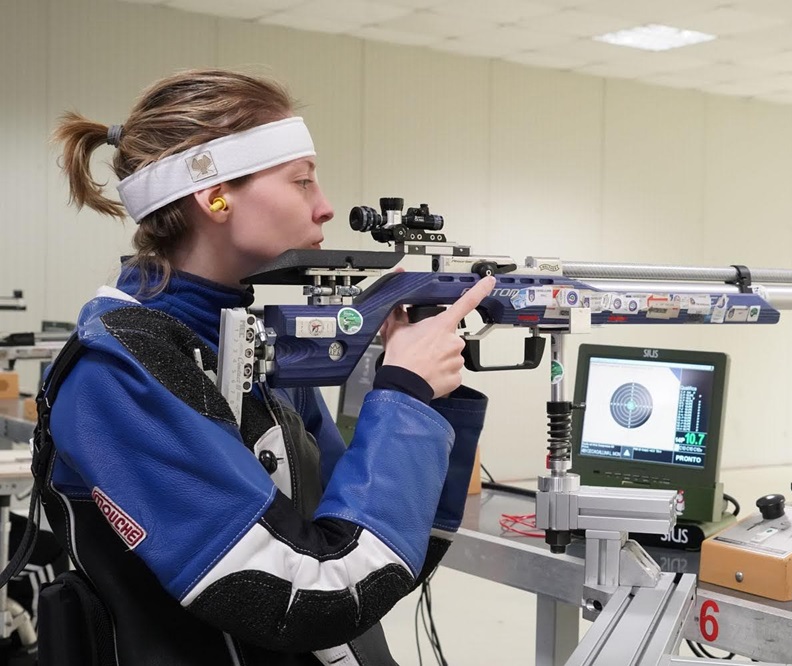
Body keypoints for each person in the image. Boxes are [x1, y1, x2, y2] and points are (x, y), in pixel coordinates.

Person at [41, 68, 495, 665]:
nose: (325, 207)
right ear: (214, 197)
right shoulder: (119, 374)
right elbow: (304, 599)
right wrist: (404, 395)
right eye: (302, 181)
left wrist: (427, 389)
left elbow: (370, 559)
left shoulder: (250, 346)